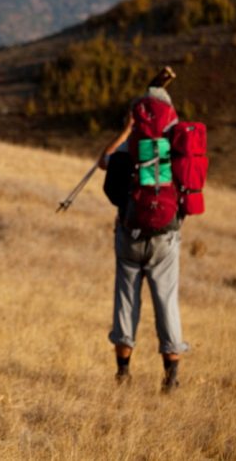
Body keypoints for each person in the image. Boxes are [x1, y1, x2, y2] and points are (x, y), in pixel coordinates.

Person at [98, 82, 187, 392]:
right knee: (167, 302)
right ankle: (171, 377)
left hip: (130, 233)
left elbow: (103, 161)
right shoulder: (176, 140)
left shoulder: (133, 142)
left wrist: (126, 131)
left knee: (125, 301)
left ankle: (123, 373)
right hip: (166, 236)